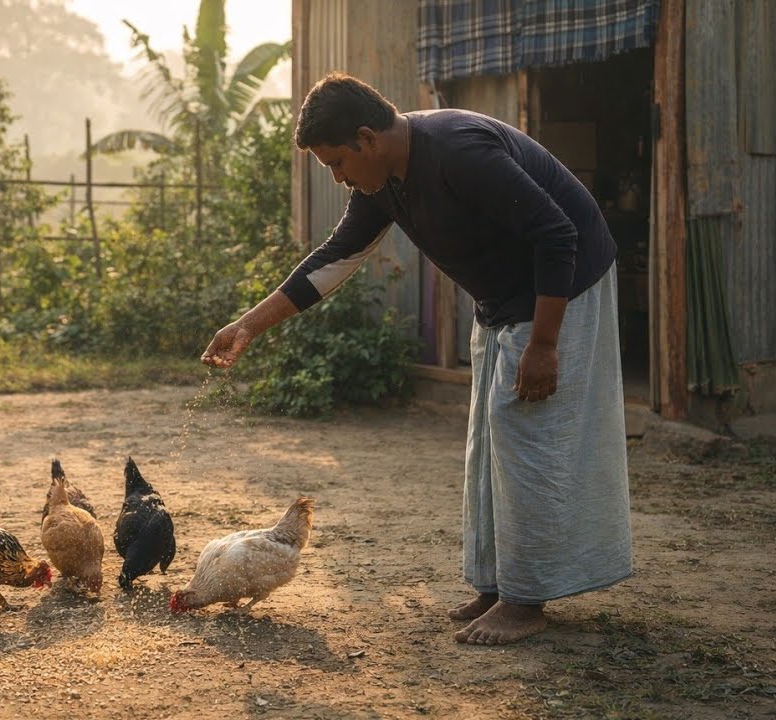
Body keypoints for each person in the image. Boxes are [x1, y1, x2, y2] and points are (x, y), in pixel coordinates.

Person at [201, 72, 632, 646]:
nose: (338, 177)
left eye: (336, 163)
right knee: (488, 444)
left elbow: (557, 234)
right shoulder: (383, 182)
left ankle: (526, 601)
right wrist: (248, 326)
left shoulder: (459, 150)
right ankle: (496, 584)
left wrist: (545, 344)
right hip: (502, 300)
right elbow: (337, 258)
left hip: (564, 288)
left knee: (526, 438)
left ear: (366, 138)